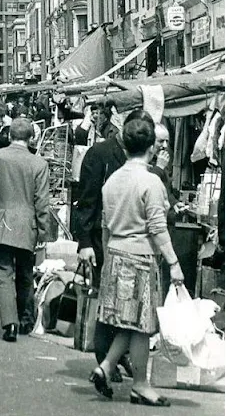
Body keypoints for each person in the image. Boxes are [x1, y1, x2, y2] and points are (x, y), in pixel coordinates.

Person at [89, 117, 183, 407]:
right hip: (141, 258)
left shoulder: (113, 180)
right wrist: (174, 263)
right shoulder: (150, 181)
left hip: (115, 255)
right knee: (142, 325)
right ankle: (141, 384)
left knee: (129, 323)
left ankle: (105, 367)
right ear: (152, 147)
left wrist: (108, 257)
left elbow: (105, 225)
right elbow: (157, 227)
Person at [75, 109, 155, 382]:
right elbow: (85, 200)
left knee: (127, 308)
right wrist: (84, 242)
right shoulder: (99, 154)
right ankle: (105, 358)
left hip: (128, 243)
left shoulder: (146, 162)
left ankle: (114, 361)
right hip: (102, 241)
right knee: (107, 304)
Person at [0, 118, 50, 341]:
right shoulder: (39, 164)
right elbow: (42, 201)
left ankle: (9, 323)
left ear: (9, 135)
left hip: (1, 221)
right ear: (31, 137)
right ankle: (25, 319)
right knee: (25, 273)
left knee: (3, 273)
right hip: (27, 223)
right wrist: (44, 232)